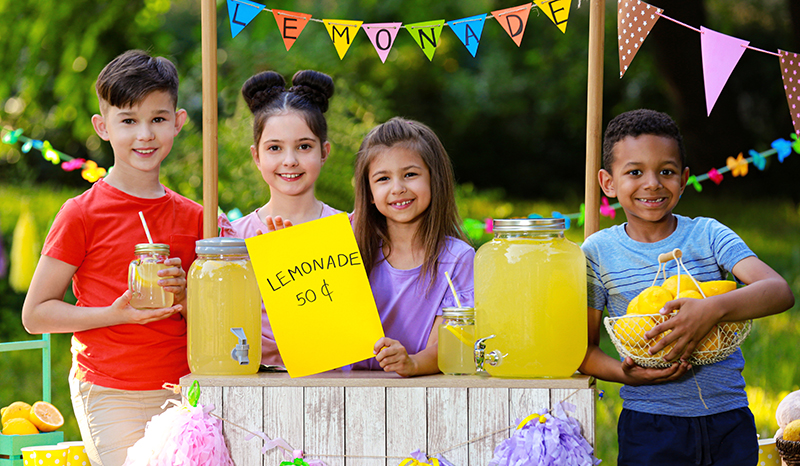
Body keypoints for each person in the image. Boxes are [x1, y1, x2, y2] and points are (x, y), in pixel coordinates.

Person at [579, 109, 795, 465]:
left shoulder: (708, 235)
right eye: (635, 172)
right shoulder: (598, 253)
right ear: (608, 183)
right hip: (650, 425)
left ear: (684, 179)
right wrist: (627, 375)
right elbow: (584, 351)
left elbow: (778, 290)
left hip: (728, 418)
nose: (652, 183)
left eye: (666, 171)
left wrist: (711, 310)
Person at [21, 50, 203, 466]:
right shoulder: (82, 213)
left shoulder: (196, 216)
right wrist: (117, 313)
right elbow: (36, 315)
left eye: (158, 119)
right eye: (128, 120)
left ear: (177, 122)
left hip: (185, 390)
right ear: (103, 127)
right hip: (109, 389)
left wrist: (188, 293)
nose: (145, 134)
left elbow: (212, 319)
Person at [218, 69, 342, 367]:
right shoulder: (234, 237)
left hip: (332, 384)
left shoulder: (347, 230)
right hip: (253, 387)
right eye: (275, 148)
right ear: (256, 156)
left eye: (304, 146)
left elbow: (343, 331)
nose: (290, 160)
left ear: (324, 152)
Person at [350, 117, 475, 377]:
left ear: (434, 178)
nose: (398, 188)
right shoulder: (349, 249)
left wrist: (413, 363)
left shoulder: (458, 259)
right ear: (369, 193)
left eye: (410, 174)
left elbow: (451, 342)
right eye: (383, 178)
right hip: (343, 391)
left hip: (421, 393)